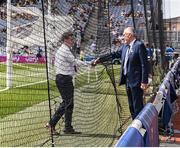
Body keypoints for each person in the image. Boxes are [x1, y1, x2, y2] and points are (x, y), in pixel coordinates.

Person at [92, 27, 149, 119]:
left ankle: (141, 127)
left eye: (124, 35)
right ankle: (135, 126)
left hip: (137, 81)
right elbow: (113, 54)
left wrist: (144, 81)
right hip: (127, 81)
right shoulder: (124, 47)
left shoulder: (139, 45)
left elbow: (144, 65)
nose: (123, 37)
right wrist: (100, 59)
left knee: (137, 105)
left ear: (129, 35)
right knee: (131, 105)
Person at [45, 31, 86, 135]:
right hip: (64, 79)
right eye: (71, 39)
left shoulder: (65, 49)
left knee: (69, 103)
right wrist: (90, 64)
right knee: (67, 103)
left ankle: (68, 127)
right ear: (66, 40)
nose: (73, 41)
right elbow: (75, 61)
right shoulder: (64, 50)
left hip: (64, 79)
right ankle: (51, 124)